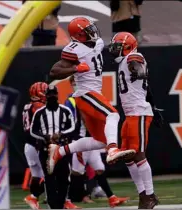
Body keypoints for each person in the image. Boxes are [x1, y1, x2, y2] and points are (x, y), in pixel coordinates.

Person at [47, 17, 136, 175]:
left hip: (94, 93)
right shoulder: (74, 49)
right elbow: (54, 71)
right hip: (85, 93)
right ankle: (113, 150)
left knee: (100, 141)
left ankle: (59, 152)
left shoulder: (99, 42)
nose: (92, 32)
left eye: (91, 29)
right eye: (86, 31)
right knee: (112, 115)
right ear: (78, 36)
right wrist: (75, 68)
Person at [108, 32, 164, 209]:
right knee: (127, 156)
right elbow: (146, 89)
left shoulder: (134, 56)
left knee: (138, 154)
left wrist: (138, 71)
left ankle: (150, 195)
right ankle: (142, 194)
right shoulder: (125, 61)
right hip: (131, 113)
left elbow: (138, 67)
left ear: (127, 47)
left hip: (139, 112)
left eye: (118, 46)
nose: (114, 50)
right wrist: (154, 107)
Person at [64, 90, 130, 207]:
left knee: (99, 169)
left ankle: (111, 197)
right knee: (77, 172)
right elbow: (85, 118)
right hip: (81, 140)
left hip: (92, 141)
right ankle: (67, 200)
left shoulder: (91, 96)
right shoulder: (77, 98)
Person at [30, 85, 80, 209]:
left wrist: (61, 134)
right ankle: (53, 206)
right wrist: (45, 137)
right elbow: (33, 130)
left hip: (61, 149)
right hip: (46, 150)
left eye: (54, 94)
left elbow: (72, 127)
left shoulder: (65, 111)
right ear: (45, 96)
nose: (52, 96)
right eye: (49, 94)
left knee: (64, 178)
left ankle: (61, 203)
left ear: (57, 95)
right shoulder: (39, 113)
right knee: (49, 178)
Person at [23, 82, 48, 209]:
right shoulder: (38, 106)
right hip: (37, 143)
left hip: (29, 145)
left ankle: (35, 200)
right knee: (50, 174)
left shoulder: (27, 106)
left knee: (36, 175)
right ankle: (34, 197)